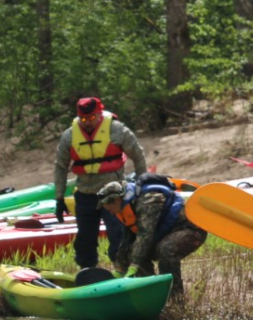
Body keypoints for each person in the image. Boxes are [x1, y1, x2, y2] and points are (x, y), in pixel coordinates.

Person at [53, 96, 149, 270]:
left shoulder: (117, 130)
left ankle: (123, 270)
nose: (87, 123)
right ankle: (87, 272)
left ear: (99, 114)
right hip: (85, 195)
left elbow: (138, 155)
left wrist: (142, 185)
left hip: (114, 195)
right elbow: (60, 167)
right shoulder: (69, 136)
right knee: (85, 240)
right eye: (83, 119)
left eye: (91, 118)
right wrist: (59, 198)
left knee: (118, 235)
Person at [98, 176, 207, 301]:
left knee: (165, 250)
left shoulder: (148, 201)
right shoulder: (125, 206)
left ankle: (175, 299)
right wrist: (120, 269)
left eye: (109, 208)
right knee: (135, 253)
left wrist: (133, 266)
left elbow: (145, 235)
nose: (110, 213)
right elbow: (127, 240)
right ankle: (151, 297)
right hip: (166, 232)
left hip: (191, 229)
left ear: (117, 200)